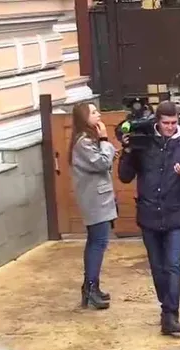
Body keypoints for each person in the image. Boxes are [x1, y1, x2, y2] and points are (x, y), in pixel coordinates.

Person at [119, 101, 180, 335]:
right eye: (166, 123)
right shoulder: (144, 145)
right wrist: (127, 152)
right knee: (158, 267)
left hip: (175, 214)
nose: (170, 127)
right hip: (149, 215)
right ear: (158, 122)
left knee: (173, 265)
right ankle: (166, 308)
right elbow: (125, 177)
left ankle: (171, 314)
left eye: (174, 123)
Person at [69, 102, 116, 310]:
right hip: (95, 200)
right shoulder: (83, 142)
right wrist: (105, 139)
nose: (98, 114)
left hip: (100, 198)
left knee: (96, 242)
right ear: (83, 118)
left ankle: (92, 287)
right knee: (98, 243)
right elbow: (102, 163)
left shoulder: (88, 139)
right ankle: (90, 288)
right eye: (93, 112)